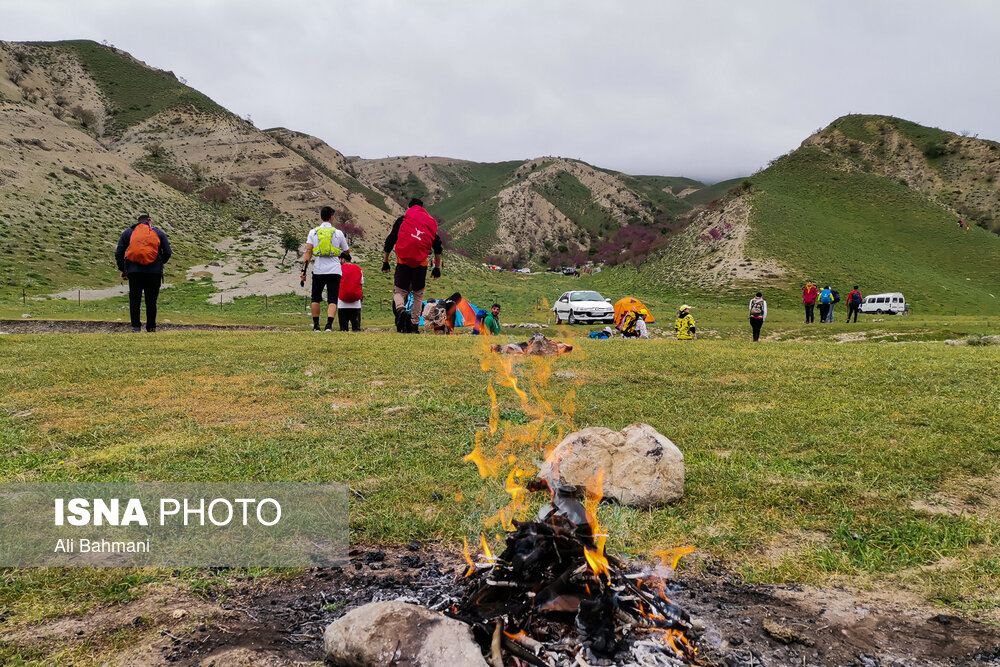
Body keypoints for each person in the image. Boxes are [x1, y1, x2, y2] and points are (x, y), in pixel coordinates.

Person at [382, 198, 443, 333]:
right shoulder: (428, 223)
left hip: (403, 262)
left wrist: (385, 261)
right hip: (421, 264)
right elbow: (438, 247)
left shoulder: (402, 220)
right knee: (418, 295)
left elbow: (390, 241)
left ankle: (400, 310)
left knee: (399, 291)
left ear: (409, 208)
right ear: (422, 208)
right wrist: (437, 268)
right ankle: (414, 326)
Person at [115, 213, 172, 333]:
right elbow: (168, 252)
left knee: (135, 299)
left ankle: (136, 327)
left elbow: (119, 252)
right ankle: (151, 327)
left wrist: (123, 269)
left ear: (138, 221)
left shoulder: (128, 233)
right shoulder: (158, 233)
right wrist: (159, 263)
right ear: (149, 221)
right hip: (154, 272)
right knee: (151, 300)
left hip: (134, 271)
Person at [301, 206, 350, 332]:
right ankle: (329, 325)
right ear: (332, 217)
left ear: (321, 217)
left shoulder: (313, 232)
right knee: (332, 299)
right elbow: (347, 251)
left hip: (319, 269)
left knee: (315, 298)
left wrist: (303, 270)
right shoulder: (338, 233)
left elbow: (308, 252)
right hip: (334, 269)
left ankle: (316, 326)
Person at [337, 252, 363, 332]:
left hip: (342, 303)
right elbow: (361, 284)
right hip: (356, 304)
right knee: (356, 329)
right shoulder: (358, 269)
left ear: (343, 259)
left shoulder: (338, 269)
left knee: (343, 329)